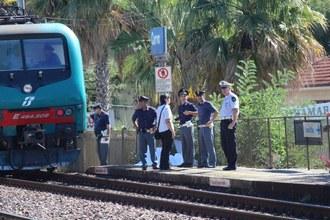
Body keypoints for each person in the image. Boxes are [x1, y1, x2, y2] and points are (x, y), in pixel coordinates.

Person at [132, 96, 158, 170]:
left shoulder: (152, 110)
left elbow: (156, 120)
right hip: (141, 132)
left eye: (141, 102)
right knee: (142, 150)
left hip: (150, 132)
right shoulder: (138, 111)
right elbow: (133, 119)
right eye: (139, 102)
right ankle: (144, 164)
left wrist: (154, 129)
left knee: (152, 149)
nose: (139, 103)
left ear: (145, 102)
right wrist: (137, 127)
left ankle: (154, 163)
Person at [194, 90, 218, 168]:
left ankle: (212, 163)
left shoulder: (207, 104)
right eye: (198, 96)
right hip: (201, 127)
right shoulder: (198, 105)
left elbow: (216, 112)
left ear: (203, 96)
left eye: (200, 96)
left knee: (209, 145)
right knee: (202, 146)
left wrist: (211, 121)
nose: (199, 98)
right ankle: (204, 162)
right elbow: (199, 113)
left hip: (207, 127)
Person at [219, 80, 239, 171]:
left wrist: (233, 122)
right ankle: (229, 162)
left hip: (229, 121)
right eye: (222, 88)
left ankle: (232, 164)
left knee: (230, 143)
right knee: (224, 143)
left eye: (225, 88)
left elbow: (235, 110)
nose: (223, 90)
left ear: (229, 88)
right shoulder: (225, 98)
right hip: (223, 121)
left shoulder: (232, 97)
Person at [176, 88, 197, 167]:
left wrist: (190, 112)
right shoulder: (180, 106)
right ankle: (185, 161)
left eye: (185, 95)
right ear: (180, 97)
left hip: (188, 126)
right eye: (182, 95)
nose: (183, 97)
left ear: (187, 96)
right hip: (182, 126)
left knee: (190, 144)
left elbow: (197, 112)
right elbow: (181, 116)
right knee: (184, 145)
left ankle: (190, 162)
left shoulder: (190, 105)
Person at [156, 94, 175, 170]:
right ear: (165, 99)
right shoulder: (167, 108)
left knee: (164, 148)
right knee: (167, 149)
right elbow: (168, 121)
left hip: (161, 131)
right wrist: (172, 131)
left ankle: (162, 165)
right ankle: (166, 166)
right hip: (167, 130)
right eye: (168, 98)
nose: (169, 99)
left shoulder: (159, 108)